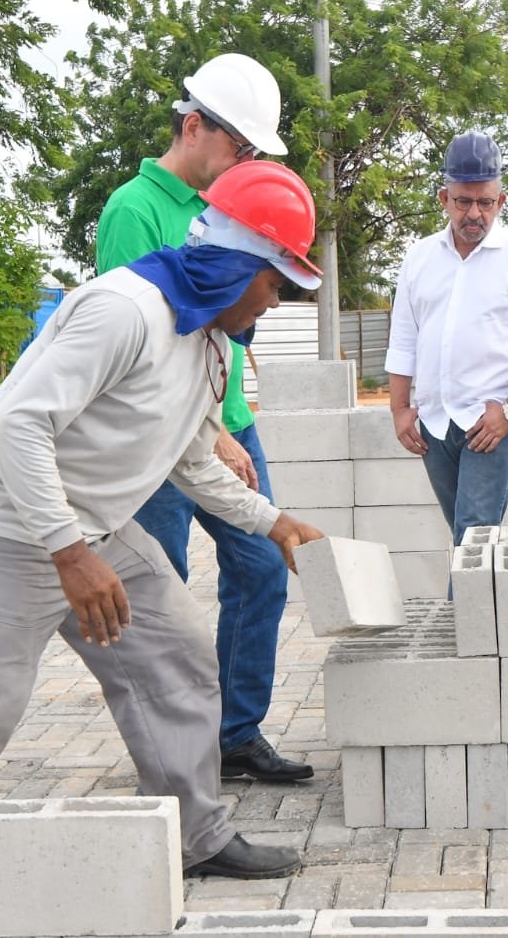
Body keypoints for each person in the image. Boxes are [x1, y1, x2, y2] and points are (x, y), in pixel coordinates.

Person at [0, 160, 326, 881]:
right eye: (275, 283)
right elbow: (19, 426)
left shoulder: (209, 345)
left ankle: (194, 837)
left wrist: (272, 521)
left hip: (91, 526)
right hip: (5, 524)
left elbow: (195, 459)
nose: (274, 302)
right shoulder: (125, 309)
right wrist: (70, 553)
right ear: (240, 264)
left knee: (175, 657)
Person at [95, 53, 312, 783]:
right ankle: (169, 745)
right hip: (165, 434)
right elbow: (146, 347)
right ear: (194, 127)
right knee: (160, 588)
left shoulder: (228, 203)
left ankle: (232, 734)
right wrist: (209, 436)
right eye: (240, 148)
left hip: (228, 418)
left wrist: (228, 422)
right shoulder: (134, 210)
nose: (245, 163)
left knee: (261, 568)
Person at [386, 130, 508, 543]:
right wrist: (399, 408)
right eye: (463, 201)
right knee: (466, 540)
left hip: (488, 424)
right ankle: (484, 608)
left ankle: (465, 610)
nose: (474, 214)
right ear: (443, 199)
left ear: (501, 202)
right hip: (432, 423)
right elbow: (404, 340)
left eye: (485, 203)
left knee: (474, 536)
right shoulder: (419, 258)